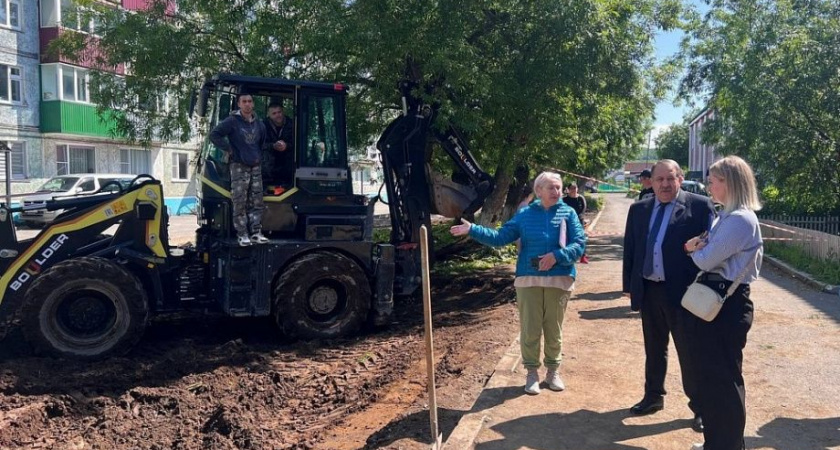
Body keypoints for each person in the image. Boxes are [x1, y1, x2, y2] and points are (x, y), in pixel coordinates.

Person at [451, 171, 586, 395]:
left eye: (559, 187)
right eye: (551, 187)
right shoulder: (524, 215)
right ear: (538, 191)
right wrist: (473, 229)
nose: (556, 191)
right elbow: (500, 237)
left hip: (559, 279)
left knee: (554, 329)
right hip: (528, 279)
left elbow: (580, 244)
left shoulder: (568, 213)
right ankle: (531, 373)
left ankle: (553, 372)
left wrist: (556, 256)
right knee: (530, 329)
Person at [622, 159, 715, 433]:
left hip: (685, 294)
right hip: (650, 290)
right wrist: (629, 284)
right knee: (654, 348)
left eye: (670, 179)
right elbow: (632, 248)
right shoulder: (639, 208)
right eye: (659, 179)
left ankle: (700, 408)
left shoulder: (699, 206)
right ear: (651, 181)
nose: (664, 184)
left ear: (680, 178)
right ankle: (653, 397)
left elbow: (711, 249)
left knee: (690, 352)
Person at [683, 156, 763, 450]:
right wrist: (700, 248)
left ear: (728, 183)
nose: (709, 186)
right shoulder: (727, 216)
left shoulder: (740, 219)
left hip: (728, 305)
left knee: (724, 381)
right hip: (719, 302)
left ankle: (727, 446)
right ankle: (715, 443)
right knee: (711, 379)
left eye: (713, 181)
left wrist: (694, 248)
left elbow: (705, 258)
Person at [210, 93, 269, 247]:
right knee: (239, 199)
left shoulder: (259, 124)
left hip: (255, 165)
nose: (247, 104)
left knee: (257, 200)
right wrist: (229, 149)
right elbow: (214, 135)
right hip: (238, 166)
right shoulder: (232, 122)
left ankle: (256, 232)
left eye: (250, 101)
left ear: (253, 104)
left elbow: (262, 143)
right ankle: (242, 234)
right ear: (239, 104)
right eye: (244, 101)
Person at [262, 102, 295, 187]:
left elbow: (298, 144)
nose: (278, 115)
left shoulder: (293, 124)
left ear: (283, 112)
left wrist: (286, 146)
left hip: (287, 164)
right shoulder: (262, 126)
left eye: (279, 112)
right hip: (268, 163)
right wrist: (273, 146)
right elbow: (258, 144)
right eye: (274, 113)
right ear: (269, 115)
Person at [562, 183, 589, 264]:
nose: (574, 190)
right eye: (572, 188)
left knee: (581, 238)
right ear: (568, 189)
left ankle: (583, 256)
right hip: (567, 221)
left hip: (579, 221)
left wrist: (577, 218)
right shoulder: (564, 200)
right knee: (568, 239)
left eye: (575, 188)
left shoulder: (581, 198)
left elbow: (583, 209)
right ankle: (568, 256)